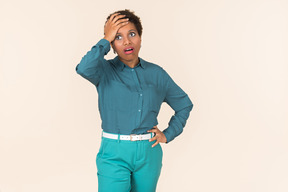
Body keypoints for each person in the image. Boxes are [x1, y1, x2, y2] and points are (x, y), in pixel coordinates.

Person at [75, 9, 193, 192]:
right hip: (114, 152)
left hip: (149, 152)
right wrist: (105, 39)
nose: (127, 41)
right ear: (112, 44)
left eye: (132, 34)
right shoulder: (104, 71)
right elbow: (83, 68)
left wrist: (168, 134)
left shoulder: (157, 74)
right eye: (118, 37)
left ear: (140, 37)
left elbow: (184, 104)